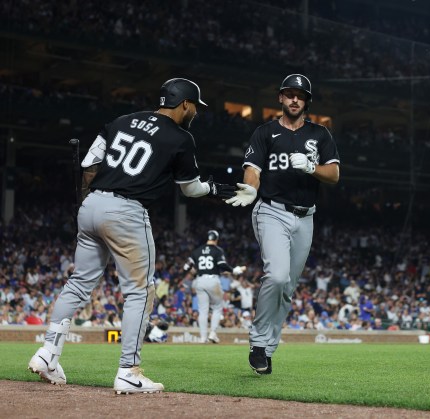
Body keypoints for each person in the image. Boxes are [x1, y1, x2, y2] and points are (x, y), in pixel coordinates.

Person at [28, 78, 236, 394]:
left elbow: (89, 164)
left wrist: (90, 202)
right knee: (140, 291)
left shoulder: (122, 121)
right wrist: (215, 189)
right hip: (126, 211)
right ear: (184, 104)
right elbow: (191, 189)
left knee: (79, 282)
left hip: (92, 204)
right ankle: (128, 370)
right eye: (194, 106)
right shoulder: (181, 136)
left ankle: (48, 354)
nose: (195, 111)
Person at [225, 74, 340, 375]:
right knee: (276, 277)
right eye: (289, 94)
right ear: (280, 97)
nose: (294, 99)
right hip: (271, 210)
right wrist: (250, 188)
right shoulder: (265, 132)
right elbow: (252, 169)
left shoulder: (321, 134)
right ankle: (258, 344)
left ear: (307, 101)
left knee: (287, 288)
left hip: (306, 216)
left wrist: (313, 167)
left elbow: (334, 175)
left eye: (300, 95)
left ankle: (268, 348)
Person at [184, 229, 245, 344]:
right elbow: (221, 264)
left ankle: (203, 338)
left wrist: (198, 270)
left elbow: (186, 267)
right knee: (217, 307)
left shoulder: (197, 250)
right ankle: (212, 333)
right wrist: (233, 270)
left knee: (203, 310)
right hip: (213, 280)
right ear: (216, 239)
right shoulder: (217, 250)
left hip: (200, 280)